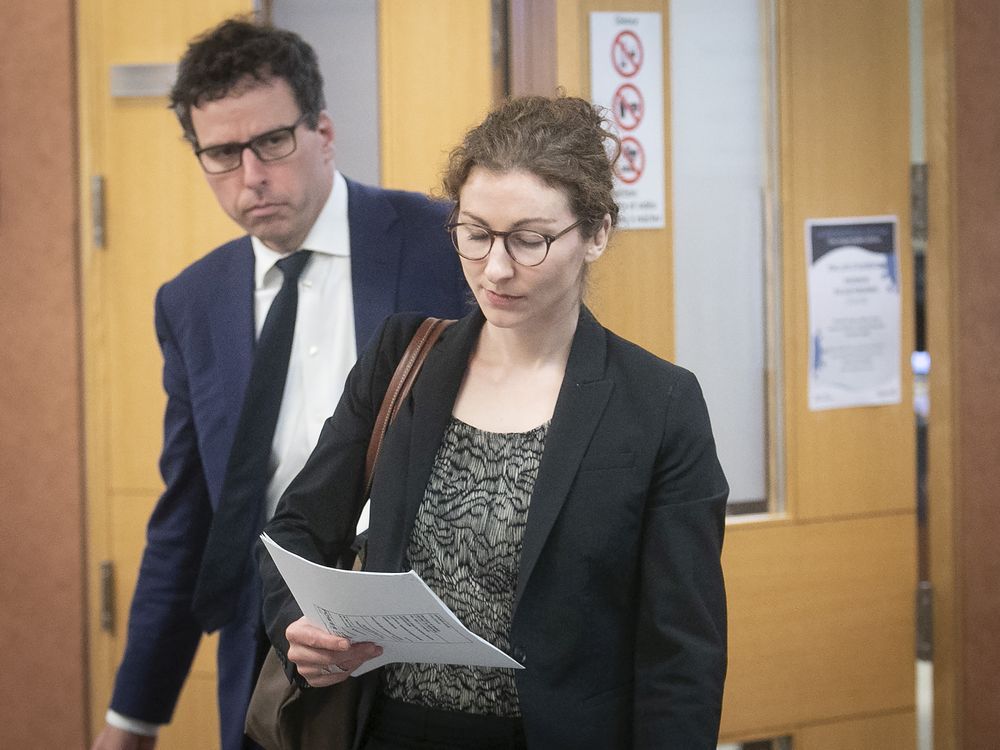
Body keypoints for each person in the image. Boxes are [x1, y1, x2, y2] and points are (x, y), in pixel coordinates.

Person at [258, 95, 729, 749]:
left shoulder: (658, 404)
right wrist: (298, 627)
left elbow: (682, 656)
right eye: (475, 233)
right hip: (388, 731)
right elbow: (297, 531)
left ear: (596, 233)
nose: (497, 268)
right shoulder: (403, 357)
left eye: (529, 240)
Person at [92, 17, 468, 750]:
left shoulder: (443, 242)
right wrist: (133, 717)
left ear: (322, 131)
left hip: (431, 640)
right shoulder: (191, 303)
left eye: (271, 142)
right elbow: (191, 516)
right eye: (222, 154)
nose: (252, 176)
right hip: (271, 644)